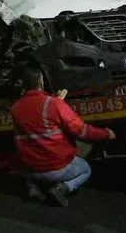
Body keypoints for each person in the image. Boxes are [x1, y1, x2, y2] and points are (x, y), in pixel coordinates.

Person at [11, 65, 116, 207]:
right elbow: (81, 131)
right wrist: (106, 134)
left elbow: (36, 109)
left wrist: (57, 100)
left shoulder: (15, 108)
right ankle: (62, 188)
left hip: (32, 169)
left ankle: (33, 186)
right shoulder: (53, 105)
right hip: (56, 168)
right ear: (41, 83)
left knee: (32, 162)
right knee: (86, 169)